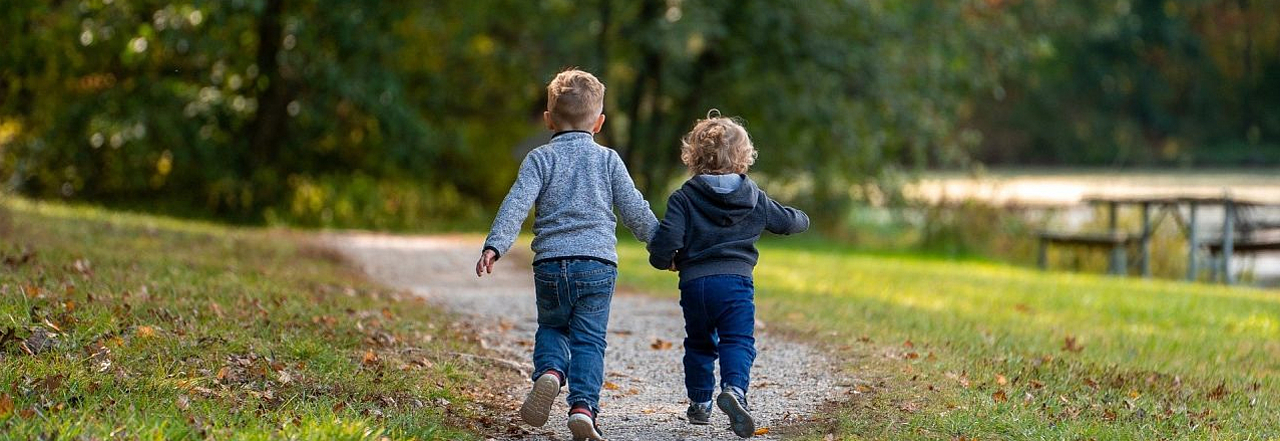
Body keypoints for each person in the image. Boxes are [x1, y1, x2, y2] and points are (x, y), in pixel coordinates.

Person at [476, 68, 657, 441]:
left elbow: (515, 204)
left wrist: (495, 245)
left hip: (550, 265)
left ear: (548, 120)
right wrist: (662, 245)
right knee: (589, 340)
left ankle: (551, 372)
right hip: (597, 265)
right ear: (600, 122)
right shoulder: (608, 160)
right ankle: (583, 408)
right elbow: (634, 209)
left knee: (553, 326)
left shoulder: (539, 159)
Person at [646, 111, 809, 438]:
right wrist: (803, 218)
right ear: (744, 158)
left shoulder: (684, 197)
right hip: (735, 285)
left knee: (699, 343)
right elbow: (788, 222)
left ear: (693, 156)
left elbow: (667, 240)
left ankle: (700, 403)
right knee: (737, 340)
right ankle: (734, 391)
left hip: (695, 286)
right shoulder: (754, 198)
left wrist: (665, 261)